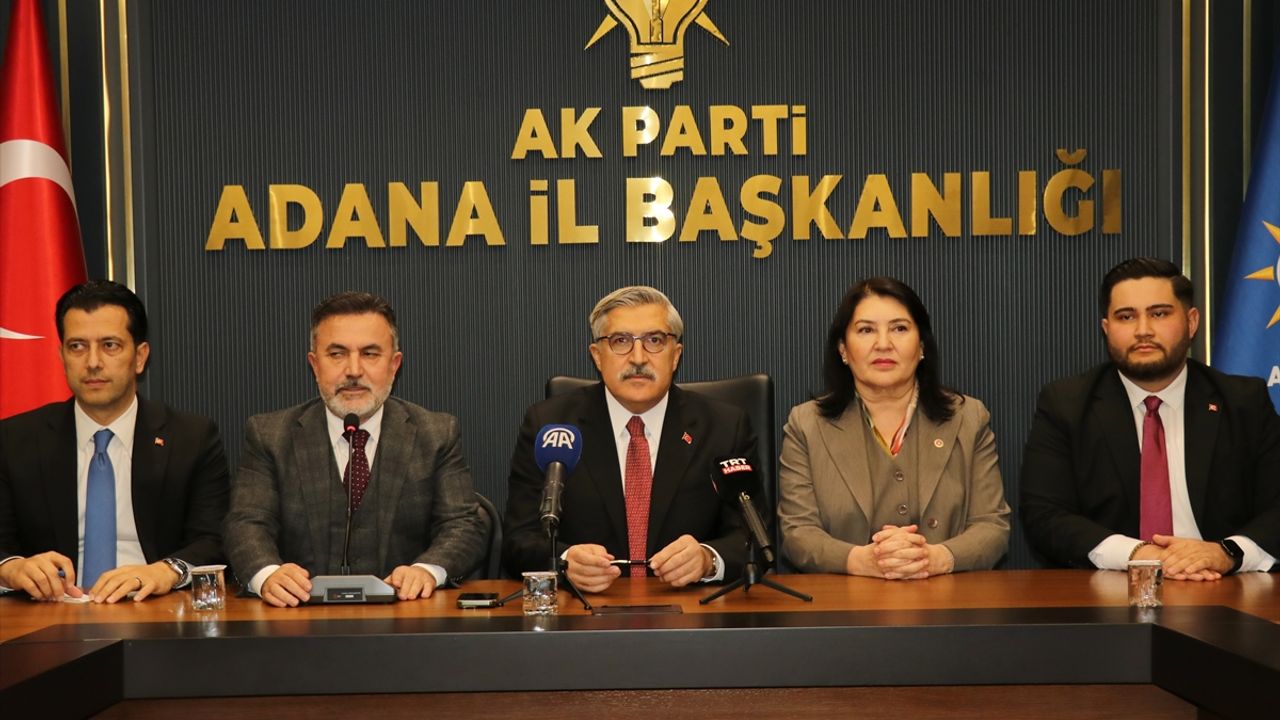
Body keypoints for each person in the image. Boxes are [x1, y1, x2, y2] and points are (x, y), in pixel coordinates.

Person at [223, 292, 488, 607]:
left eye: (370, 354)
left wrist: (427, 571)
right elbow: (246, 523)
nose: (353, 370)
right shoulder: (270, 435)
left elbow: (463, 524)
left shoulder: (436, 433)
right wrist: (268, 574)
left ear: (394, 365)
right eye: (337, 354)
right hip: (297, 618)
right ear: (314, 365)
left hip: (406, 616)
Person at [1020, 258, 1279, 578]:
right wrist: (1139, 554)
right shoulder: (1067, 404)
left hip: (1220, 584)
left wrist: (1226, 552)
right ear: (1106, 329)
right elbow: (1044, 514)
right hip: (1111, 589)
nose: (1143, 330)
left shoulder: (1243, 402)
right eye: (1126, 317)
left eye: (1159, 314)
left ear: (1191, 322)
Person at [502, 285, 758, 593]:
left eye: (654, 340)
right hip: (584, 612)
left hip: (690, 610)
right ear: (597, 356)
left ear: (676, 355)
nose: (638, 358)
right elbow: (519, 539)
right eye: (620, 341)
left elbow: (754, 537)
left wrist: (708, 559)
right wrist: (565, 561)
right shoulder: (550, 425)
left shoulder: (724, 427)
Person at [0, 281, 229, 602]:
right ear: (62, 356)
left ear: (140, 357)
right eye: (77, 346)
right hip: (52, 611)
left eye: (110, 345)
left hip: (153, 609)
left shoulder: (191, 438)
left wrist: (165, 571)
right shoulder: (15, 439)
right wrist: (11, 567)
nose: (93, 362)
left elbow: (214, 539)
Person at [778, 277, 1010, 579]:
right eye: (866, 330)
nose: (883, 344)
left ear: (922, 345)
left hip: (948, 599)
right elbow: (798, 533)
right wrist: (862, 561)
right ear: (843, 349)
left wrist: (934, 558)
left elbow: (992, 526)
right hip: (845, 602)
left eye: (899, 328)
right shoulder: (806, 424)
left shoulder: (968, 418)